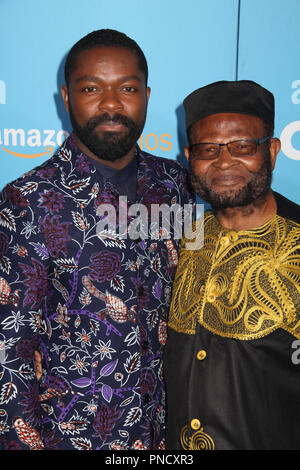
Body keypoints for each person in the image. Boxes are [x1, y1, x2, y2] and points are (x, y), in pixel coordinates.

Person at [0, 29, 193, 450]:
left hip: (169, 434)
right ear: (67, 98)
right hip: (74, 436)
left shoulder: (176, 185)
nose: (111, 103)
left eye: (127, 88)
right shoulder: (29, 200)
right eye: (92, 88)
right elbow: (9, 349)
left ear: (146, 94)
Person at [164, 80, 300, 450]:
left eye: (242, 147)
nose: (224, 162)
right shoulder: (187, 238)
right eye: (208, 149)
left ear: (271, 152)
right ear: (190, 157)